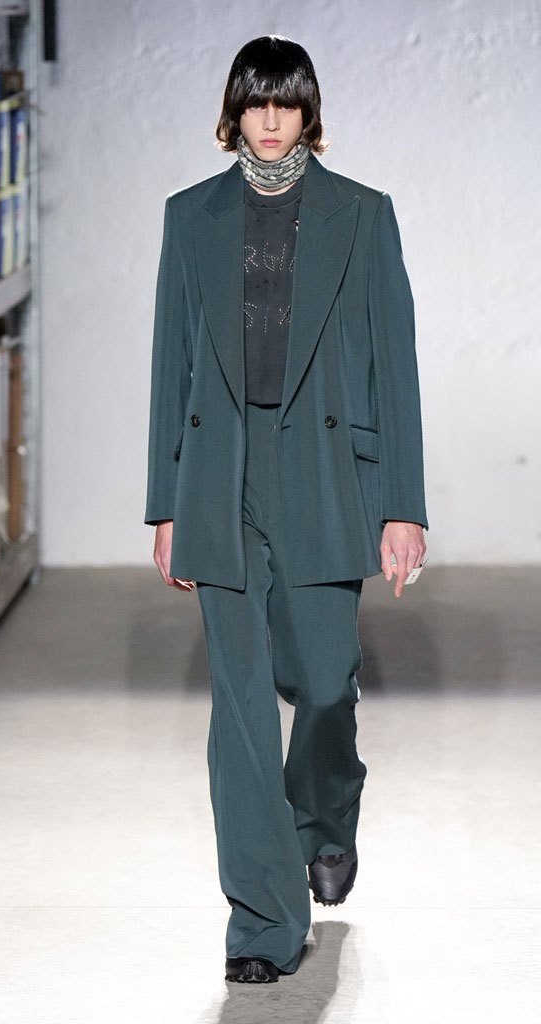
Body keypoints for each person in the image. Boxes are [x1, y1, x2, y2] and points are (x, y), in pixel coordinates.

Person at [144, 35, 428, 984]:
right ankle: (263, 923)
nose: (270, 121)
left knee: (324, 683)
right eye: (255, 103)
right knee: (238, 714)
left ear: (309, 112)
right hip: (219, 474)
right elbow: (172, 360)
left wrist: (401, 507)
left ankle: (325, 816)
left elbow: (394, 365)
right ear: (233, 113)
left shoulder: (362, 213)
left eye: (287, 103)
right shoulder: (190, 216)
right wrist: (165, 503)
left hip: (324, 465)